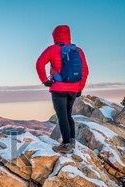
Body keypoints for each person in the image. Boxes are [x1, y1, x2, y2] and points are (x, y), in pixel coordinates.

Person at [36, 25, 89, 154]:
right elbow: (85, 71)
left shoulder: (52, 49)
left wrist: (45, 81)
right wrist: (79, 88)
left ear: (55, 36)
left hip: (58, 88)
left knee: (62, 116)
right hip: (73, 89)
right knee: (68, 115)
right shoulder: (78, 50)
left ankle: (66, 144)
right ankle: (72, 142)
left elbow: (39, 64)